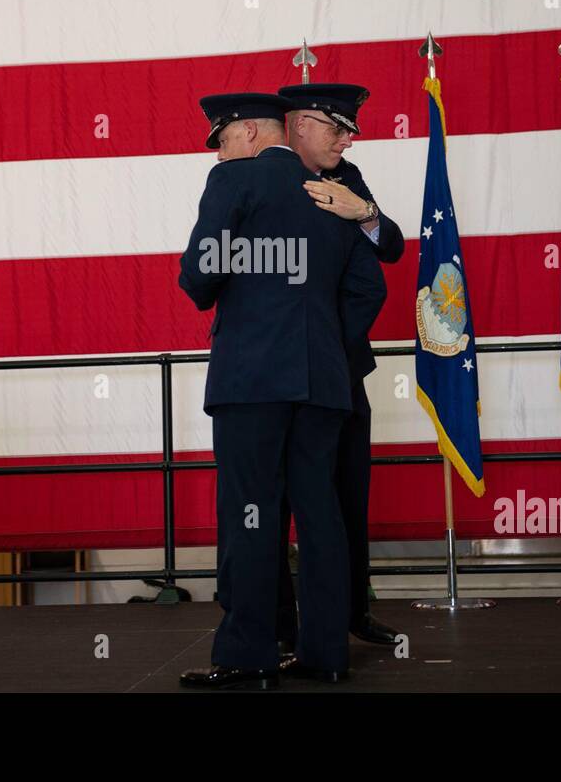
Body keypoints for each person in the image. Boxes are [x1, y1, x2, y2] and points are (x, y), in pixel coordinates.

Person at [178, 92, 387, 689]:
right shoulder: (337, 194)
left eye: (219, 142)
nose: (217, 155)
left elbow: (200, 277)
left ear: (245, 135)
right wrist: (320, 345)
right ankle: (325, 655)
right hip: (322, 380)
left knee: (249, 511)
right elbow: (369, 290)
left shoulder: (234, 181)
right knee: (319, 513)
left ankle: (249, 652)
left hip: (252, 379)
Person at [274, 82, 405, 652]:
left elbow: (392, 248)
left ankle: (353, 611)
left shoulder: (347, 179)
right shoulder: (263, 175)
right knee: (275, 502)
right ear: (301, 124)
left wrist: (366, 213)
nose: (348, 140)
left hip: (342, 367)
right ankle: (279, 624)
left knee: (349, 492)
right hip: (280, 369)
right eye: (337, 128)